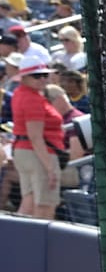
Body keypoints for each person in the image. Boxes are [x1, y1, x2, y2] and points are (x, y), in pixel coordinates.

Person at [11, 50, 64, 220]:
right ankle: (38, 246)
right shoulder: (32, 99)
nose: (42, 79)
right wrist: (50, 169)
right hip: (38, 154)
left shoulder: (21, 93)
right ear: (24, 77)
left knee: (29, 204)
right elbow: (35, 137)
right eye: (36, 76)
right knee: (45, 209)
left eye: (44, 75)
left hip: (24, 152)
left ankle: (11, 244)